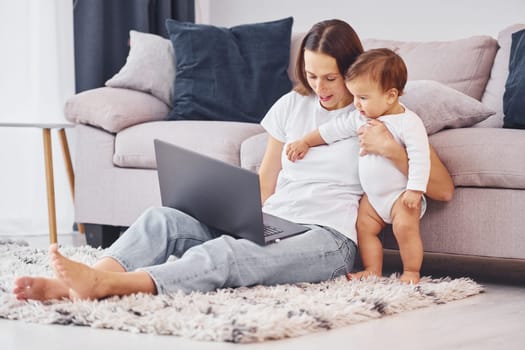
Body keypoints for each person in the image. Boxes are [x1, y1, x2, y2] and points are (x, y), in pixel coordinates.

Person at [12, 20, 454, 301]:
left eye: (331, 78)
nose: (320, 87)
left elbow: (442, 188)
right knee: (162, 219)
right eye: (311, 75)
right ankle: (84, 281)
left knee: (228, 256)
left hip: (328, 239)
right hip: (274, 219)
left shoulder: (377, 112)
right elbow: (267, 180)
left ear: (352, 69)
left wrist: (391, 150)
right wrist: (233, 211)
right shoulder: (291, 106)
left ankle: (109, 285)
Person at [286, 48, 429, 283]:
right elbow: (331, 131)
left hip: (401, 196)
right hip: (372, 197)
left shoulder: (408, 123)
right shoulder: (360, 117)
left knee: (405, 229)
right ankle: (373, 268)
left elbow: (420, 157)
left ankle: (411, 271)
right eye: (354, 97)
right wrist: (305, 141)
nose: (357, 104)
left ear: (391, 96)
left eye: (363, 98)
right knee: (363, 228)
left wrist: (415, 189)